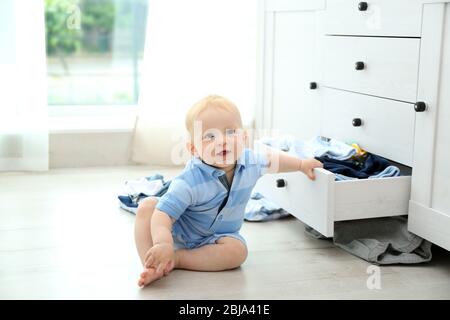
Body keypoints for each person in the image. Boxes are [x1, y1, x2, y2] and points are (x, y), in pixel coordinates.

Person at [135, 95, 323, 287]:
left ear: (244, 138)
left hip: (218, 238)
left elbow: (273, 160)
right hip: (179, 229)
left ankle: (178, 259)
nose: (222, 141)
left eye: (230, 132)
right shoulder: (189, 181)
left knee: (237, 252)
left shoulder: (250, 162)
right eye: (210, 136)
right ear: (194, 149)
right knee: (148, 207)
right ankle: (152, 264)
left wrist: (301, 164)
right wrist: (163, 243)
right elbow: (164, 215)